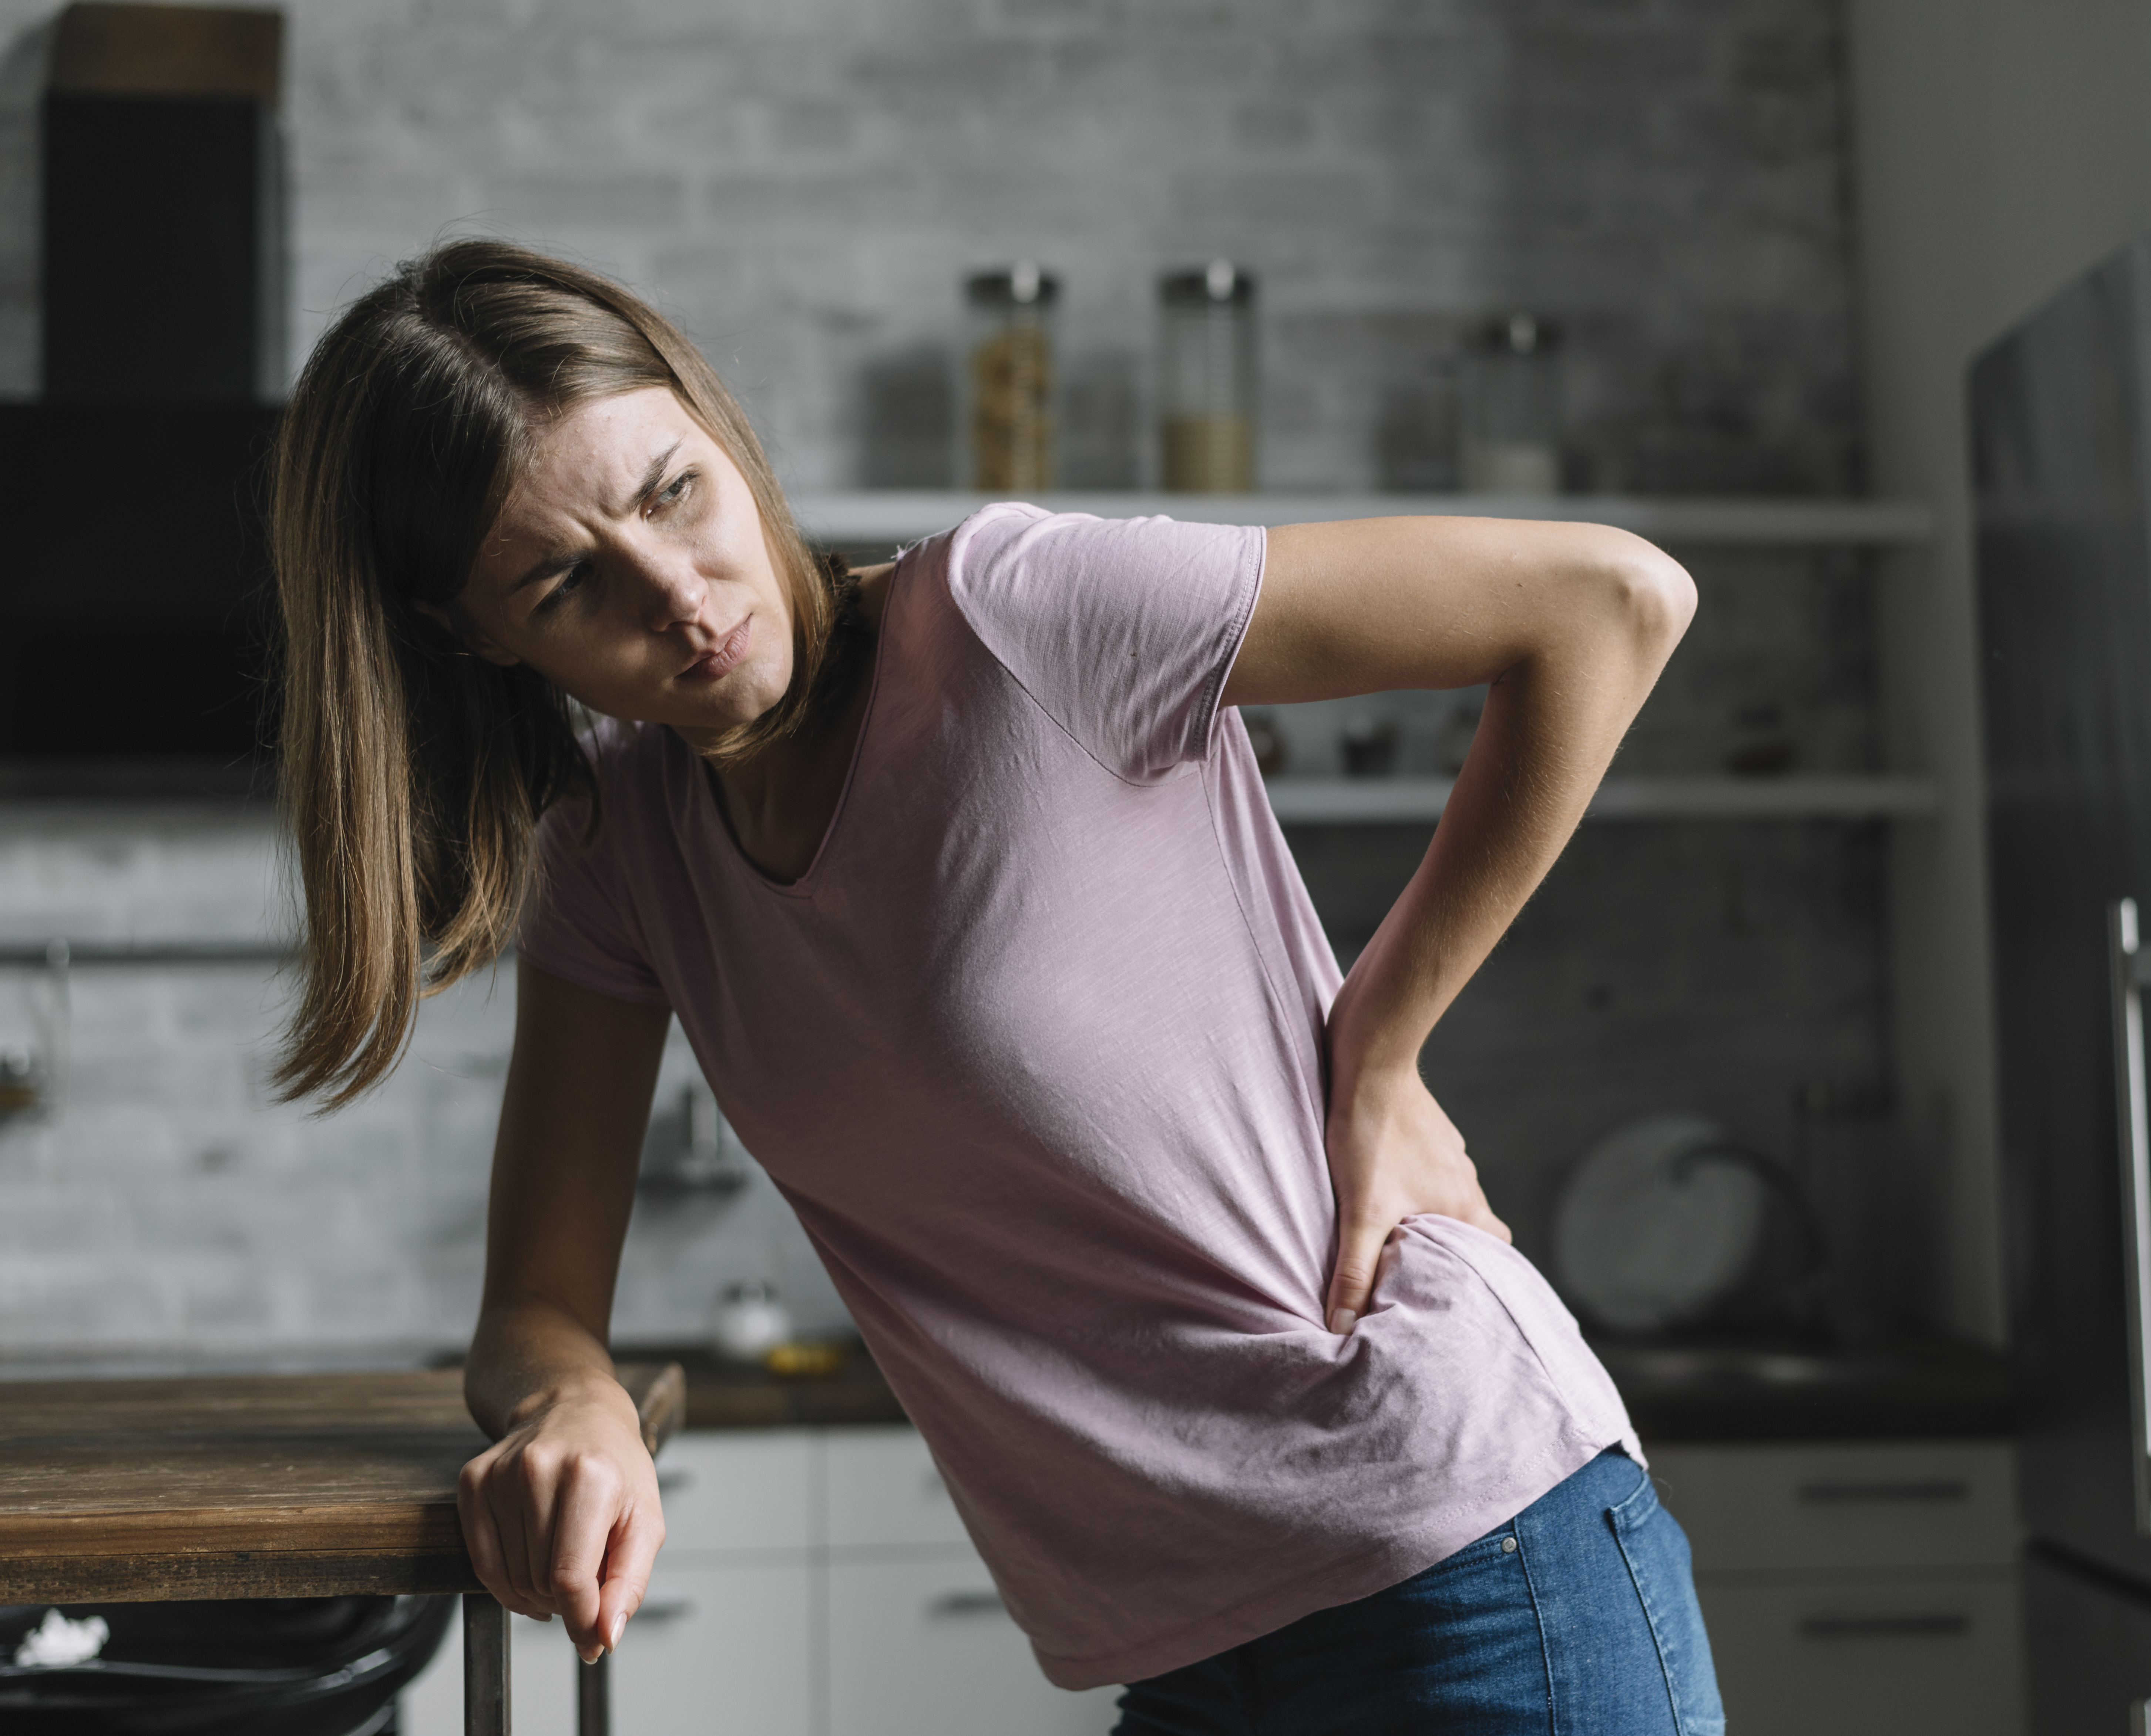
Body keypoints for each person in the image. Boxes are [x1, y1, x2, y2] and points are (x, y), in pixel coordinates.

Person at [269, 239, 1720, 1735]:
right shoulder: (621, 848)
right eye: (570, 581)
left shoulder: (1016, 616)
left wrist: (1384, 1042)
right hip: (1184, 1645)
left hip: (1471, 1561)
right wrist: (575, 1407)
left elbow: (1609, 603)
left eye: (673, 491)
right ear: (472, 636)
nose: (680, 596)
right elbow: (533, 1315)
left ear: (713, 421)